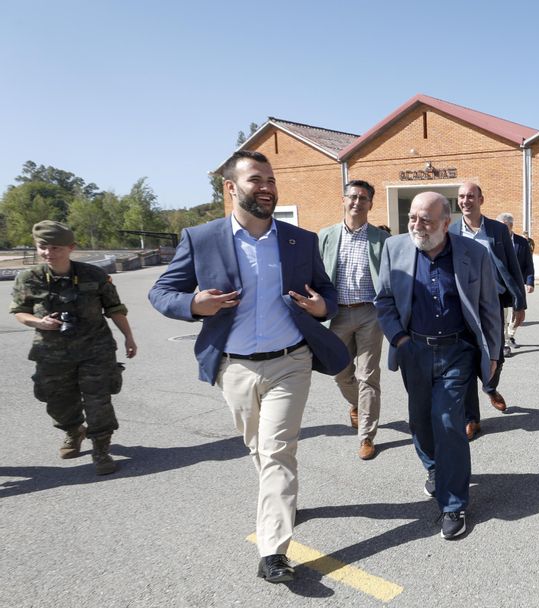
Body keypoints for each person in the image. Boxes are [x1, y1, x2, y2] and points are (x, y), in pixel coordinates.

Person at [149, 150, 349, 585]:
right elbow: (162, 291)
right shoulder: (202, 238)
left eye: (271, 179)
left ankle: (272, 549)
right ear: (231, 188)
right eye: (256, 178)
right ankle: (282, 501)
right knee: (259, 448)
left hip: (290, 362)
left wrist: (321, 307)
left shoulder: (300, 240)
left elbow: (328, 293)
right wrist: (193, 304)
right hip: (234, 368)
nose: (266, 187)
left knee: (277, 449)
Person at [375, 192, 501, 540]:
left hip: (457, 350)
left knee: (447, 421)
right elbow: (384, 299)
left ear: (446, 223)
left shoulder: (473, 254)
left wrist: (493, 354)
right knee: (420, 421)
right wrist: (400, 340)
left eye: (426, 220)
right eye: (413, 218)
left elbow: (490, 307)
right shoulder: (394, 249)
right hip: (413, 348)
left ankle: (453, 503)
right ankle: (434, 468)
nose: (417, 225)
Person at [10, 220, 137, 476]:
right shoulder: (28, 278)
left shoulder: (94, 275)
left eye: (56, 247)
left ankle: (101, 449)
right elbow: (19, 312)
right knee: (57, 399)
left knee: (98, 399)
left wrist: (128, 337)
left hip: (95, 348)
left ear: (71, 248)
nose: (49, 253)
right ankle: (73, 430)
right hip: (51, 352)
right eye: (43, 247)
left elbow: (114, 309)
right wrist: (39, 322)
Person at [318, 180, 390, 460]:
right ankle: (357, 404)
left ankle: (367, 436)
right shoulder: (325, 236)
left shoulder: (381, 239)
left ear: (371, 204)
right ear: (343, 200)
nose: (357, 202)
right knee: (338, 371)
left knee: (368, 375)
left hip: (370, 313)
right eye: (353, 197)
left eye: (363, 198)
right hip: (336, 314)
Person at [451, 182, 525, 440]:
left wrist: (520, 302)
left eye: (471, 196)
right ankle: (471, 419)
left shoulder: (496, 230)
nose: (465, 200)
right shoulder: (450, 230)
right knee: (467, 360)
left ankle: (491, 387)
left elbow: (512, 266)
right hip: (462, 305)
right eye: (461, 196)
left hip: (493, 302)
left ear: (481, 199)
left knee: (497, 355)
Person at [496, 212, 534, 357]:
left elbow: (528, 264)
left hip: (516, 283)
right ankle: (505, 343)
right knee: (502, 314)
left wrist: (530, 281)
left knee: (518, 314)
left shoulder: (522, 242)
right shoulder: (494, 240)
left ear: (511, 226)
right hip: (500, 284)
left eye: (504, 227)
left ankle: (510, 334)